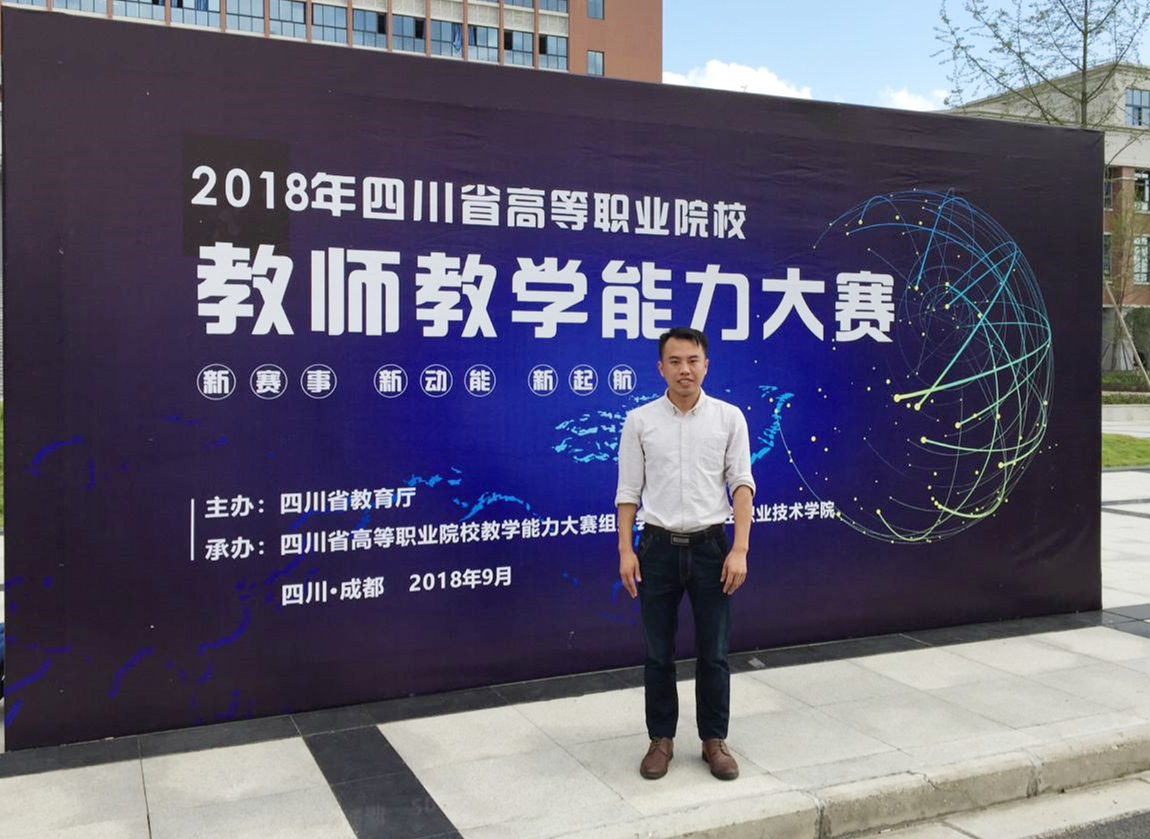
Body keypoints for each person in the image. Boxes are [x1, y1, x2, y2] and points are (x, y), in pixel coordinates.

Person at [615, 326, 755, 782]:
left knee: (714, 652)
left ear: (706, 365)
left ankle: (714, 740)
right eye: (674, 361)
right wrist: (625, 550)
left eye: (693, 360)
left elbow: (742, 484)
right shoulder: (640, 421)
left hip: (712, 549)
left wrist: (739, 549)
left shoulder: (729, 418)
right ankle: (661, 739)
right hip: (656, 549)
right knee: (658, 653)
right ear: (661, 368)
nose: (684, 370)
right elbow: (628, 491)